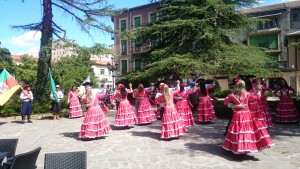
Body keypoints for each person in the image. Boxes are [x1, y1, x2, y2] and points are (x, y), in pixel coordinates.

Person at [223, 80, 274, 154]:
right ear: (244, 86)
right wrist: (259, 92)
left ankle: (239, 148)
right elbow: (256, 98)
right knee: (246, 131)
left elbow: (225, 102)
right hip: (247, 114)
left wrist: (235, 106)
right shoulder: (247, 94)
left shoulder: (231, 95)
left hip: (237, 114)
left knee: (238, 131)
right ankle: (245, 147)